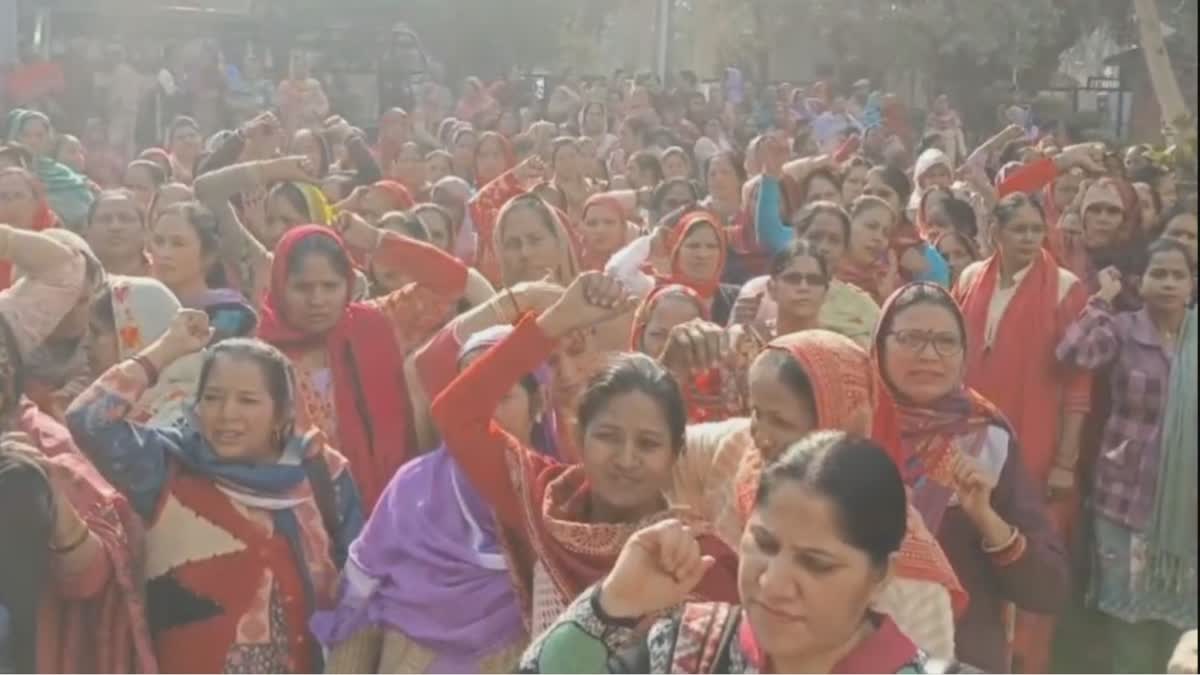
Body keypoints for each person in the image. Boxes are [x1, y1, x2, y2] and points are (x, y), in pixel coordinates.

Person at [431, 272, 741, 638]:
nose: (626, 459)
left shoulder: (697, 559)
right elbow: (455, 414)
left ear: (676, 453)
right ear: (579, 437)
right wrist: (557, 320)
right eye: (608, 437)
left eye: (648, 444)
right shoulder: (543, 502)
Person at [66, 313, 364, 673]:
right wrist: (167, 349)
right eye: (213, 398)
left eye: (248, 400)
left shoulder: (322, 473)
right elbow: (88, 419)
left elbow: (359, 584)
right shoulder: (166, 467)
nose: (226, 414)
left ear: (283, 412)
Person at [521, 433, 949, 674]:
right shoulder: (683, 649)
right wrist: (612, 606)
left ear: (881, 576)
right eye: (764, 544)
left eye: (816, 564)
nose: (772, 583)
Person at [312, 325, 558, 673]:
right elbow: (364, 591)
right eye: (470, 395)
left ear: (539, 402)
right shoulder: (413, 485)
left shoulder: (553, 497)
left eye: (502, 397)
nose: (482, 414)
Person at [872, 282, 1070, 672]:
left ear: (965, 356)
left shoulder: (986, 439)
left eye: (946, 341)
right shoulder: (853, 426)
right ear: (879, 347)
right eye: (911, 338)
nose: (929, 355)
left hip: (960, 654)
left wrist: (985, 517)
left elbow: (1049, 587)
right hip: (858, 649)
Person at [953, 192, 1092, 673]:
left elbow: (1079, 381)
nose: (1030, 238)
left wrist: (1065, 461)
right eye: (1019, 229)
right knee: (969, 545)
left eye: (1037, 229)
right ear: (997, 231)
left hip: (1036, 442)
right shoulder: (971, 278)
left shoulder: (1066, 288)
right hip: (969, 437)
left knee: (1026, 550)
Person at [255, 217, 469, 511]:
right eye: (303, 288)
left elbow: (453, 281)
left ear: (349, 284)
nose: (317, 299)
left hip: (393, 511)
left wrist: (377, 240)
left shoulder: (378, 324)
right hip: (304, 518)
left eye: (330, 286)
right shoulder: (260, 356)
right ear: (279, 286)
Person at [1055, 239, 1197, 672]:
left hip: (1188, 511)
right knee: (1128, 629)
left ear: (1192, 284)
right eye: (1160, 274)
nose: (1169, 283)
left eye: (1178, 275)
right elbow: (1071, 352)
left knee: (1183, 635)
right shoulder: (1122, 330)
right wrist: (1101, 300)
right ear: (1141, 282)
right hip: (1124, 501)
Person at [606, 209, 740, 325]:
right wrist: (650, 243)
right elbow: (616, 271)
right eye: (693, 246)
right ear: (676, 250)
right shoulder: (656, 289)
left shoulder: (736, 298)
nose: (702, 254)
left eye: (711, 246)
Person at [5, 109, 94, 228]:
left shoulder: (62, 173)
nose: (33, 141)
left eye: (39, 135)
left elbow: (86, 207)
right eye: (26, 135)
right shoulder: (4, 172)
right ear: (14, 136)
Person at [0, 167, 59, 288]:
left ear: (36, 203)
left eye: (18, 196)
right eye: (2, 196)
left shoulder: (55, 239)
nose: (11, 203)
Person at [82, 189, 150, 277]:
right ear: (88, 231)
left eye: (125, 219)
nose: (115, 227)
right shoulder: (71, 275)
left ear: (144, 230)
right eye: (105, 219)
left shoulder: (165, 272)